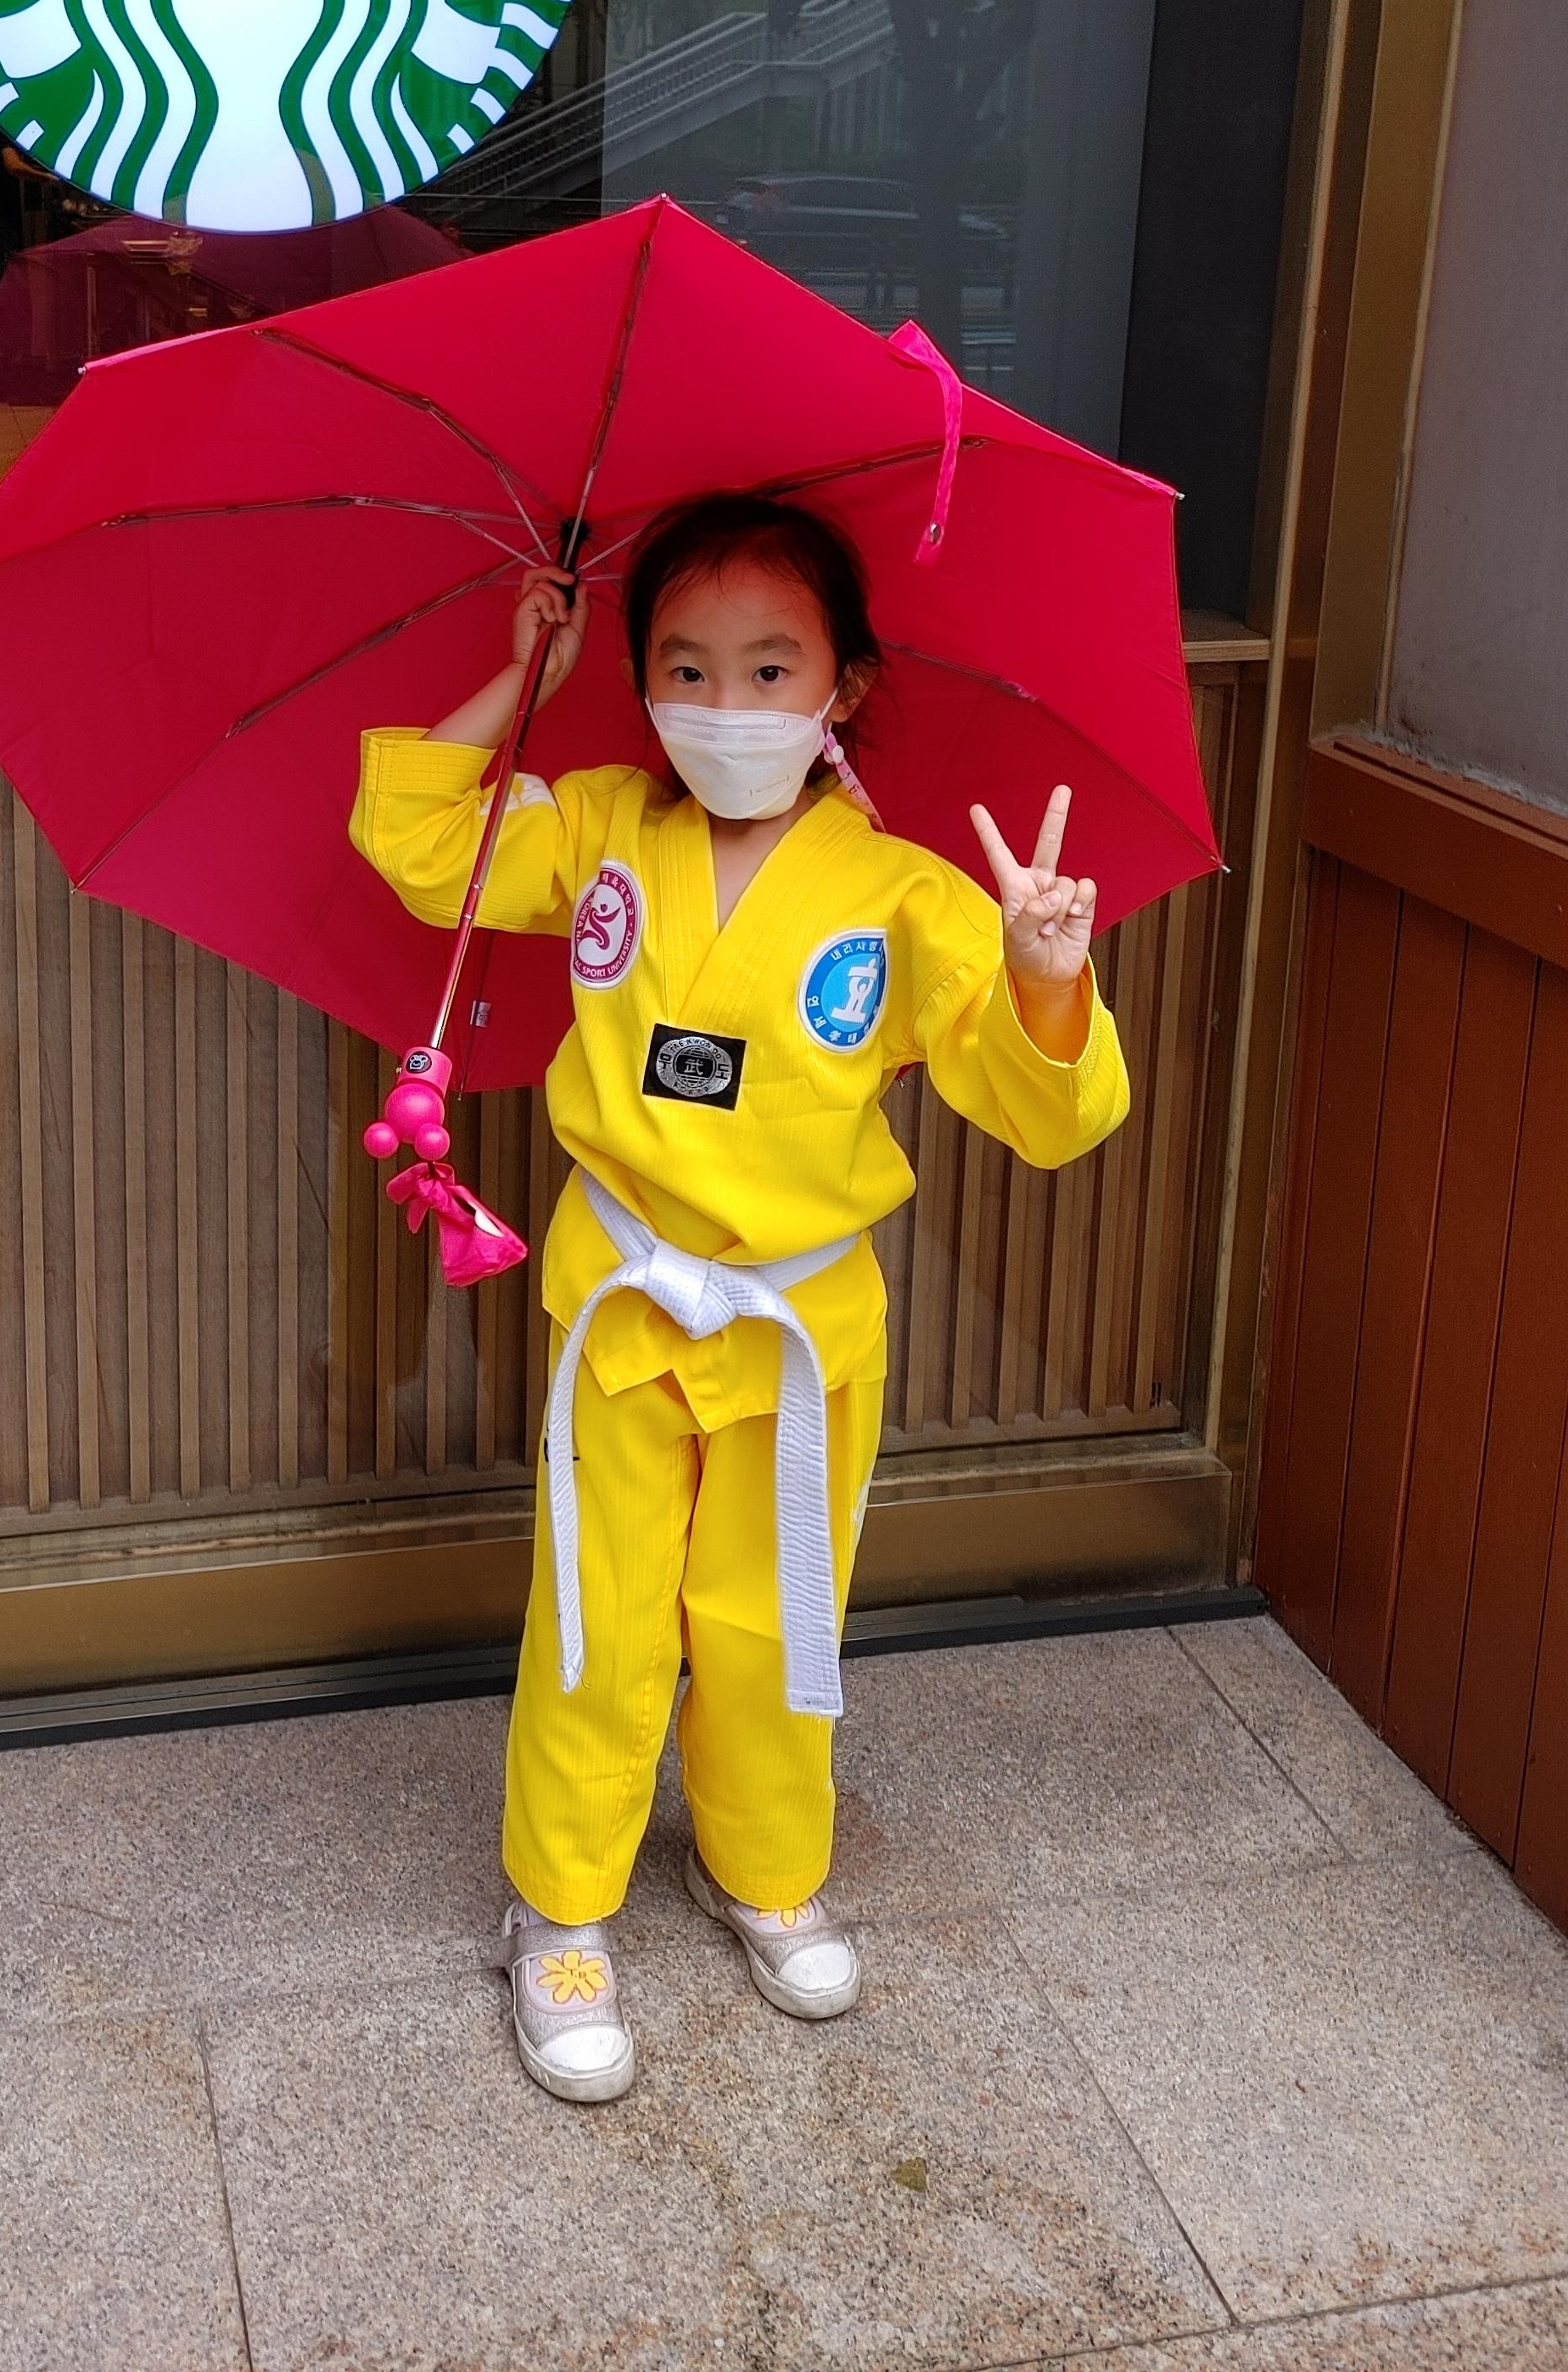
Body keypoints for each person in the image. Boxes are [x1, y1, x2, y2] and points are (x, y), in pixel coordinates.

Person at [349, 491, 1128, 2105]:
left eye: (771, 670)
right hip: (627, 1311)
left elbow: (1043, 1110)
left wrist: (1047, 975)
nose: (726, 704)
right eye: (686, 668)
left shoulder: (904, 899)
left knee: (776, 1621)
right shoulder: (597, 832)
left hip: (796, 1329)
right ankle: (560, 1905)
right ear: (641, 683)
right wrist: (521, 669)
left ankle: (762, 1866)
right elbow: (423, 847)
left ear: (844, 685)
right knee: (598, 1612)